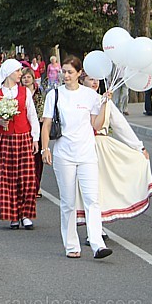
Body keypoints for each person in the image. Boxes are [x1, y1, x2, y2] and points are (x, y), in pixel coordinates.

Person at [40, 56, 113, 259]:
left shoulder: (90, 95)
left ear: (79, 73)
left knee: (92, 200)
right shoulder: (54, 95)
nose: (66, 75)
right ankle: (71, 245)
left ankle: (97, 243)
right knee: (68, 202)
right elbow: (46, 124)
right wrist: (44, 148)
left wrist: (105, 103)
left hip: (87, 153)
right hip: (64, 154)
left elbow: (95, 125)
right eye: (64, 71)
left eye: (70, 72)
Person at [79, 75, 152, 234]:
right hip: (82, 147)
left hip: (101, 147)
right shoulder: (77, 100)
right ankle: (91, 228)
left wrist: (139, 147)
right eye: (90, 78)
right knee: (85, 189)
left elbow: (121, 125)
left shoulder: (105, 101)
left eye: (97, 79)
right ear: (82, 80)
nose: (94, 82)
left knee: (100, 187)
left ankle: (96, 227)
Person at [0, 59, 40, 230]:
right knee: (6, 179)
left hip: (23, 137)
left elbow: (32, 116)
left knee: (26, 179)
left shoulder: (25, 93)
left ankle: (25, 214)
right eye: (17, 71)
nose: (20, 74)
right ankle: (12, 215)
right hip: (4, 140)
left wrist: (35, 138)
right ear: (8, 72)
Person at [21, 67, 45, 198]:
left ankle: (37, 185)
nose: (26, 79)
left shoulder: (38, 92)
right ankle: (28, 185)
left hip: (37, 125)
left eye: (28, 77)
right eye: (24, 77)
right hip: (24, 125)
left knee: (37, 158)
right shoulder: (19, 92)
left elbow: (41, 108)